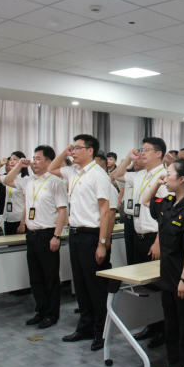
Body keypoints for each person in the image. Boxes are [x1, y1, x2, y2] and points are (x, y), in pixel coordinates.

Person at [142, 159, 184, 367]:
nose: (165, 178)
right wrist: (156, 183)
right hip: (168, 274)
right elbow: (145, 201)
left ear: (182, 179)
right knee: (171, 325)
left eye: (169, 174)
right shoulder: (168, 202)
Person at [49, 135, 112, 351]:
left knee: (95, 287)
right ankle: (85, 327)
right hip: (75, 235)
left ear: (90, 150)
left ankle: (101, 331)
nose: (73, 152)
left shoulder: (98, 175)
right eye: (73, 148)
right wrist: (65, 152)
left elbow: (105, 211)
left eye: (77, 148)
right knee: (81, 285)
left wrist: (102, 243)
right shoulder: (73, 171)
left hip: (91, 236)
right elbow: (51, 168)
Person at [112, 137, 171, 348]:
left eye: (146, 150)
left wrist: (158, 242)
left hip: (154, 239)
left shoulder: (165, 178)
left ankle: (163, 329)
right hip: (138, 237)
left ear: (159, 153)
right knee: (145, 288)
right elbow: (116, 176)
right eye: (141, 149)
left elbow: (166, 215)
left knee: (158, 286)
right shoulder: (139, 176)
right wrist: (128, 158)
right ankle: (151, 325)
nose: (142, 153)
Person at [3, 146, 68, 330]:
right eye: (33, 158)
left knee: (50, 278)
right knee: (35, 277)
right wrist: (19, 165)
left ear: (49, 162)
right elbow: (7, 180)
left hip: (48, 234)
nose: (34, 162)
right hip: (31, 235)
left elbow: (62, 211)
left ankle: (51, 314)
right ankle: (40, 310)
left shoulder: (56, 182)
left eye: (38, 158)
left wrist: (56, 236)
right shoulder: (28, 180)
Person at [0, 152, 28, 235]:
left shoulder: (25, 179)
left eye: (15, 159)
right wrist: (0, 164)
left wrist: (22, 224)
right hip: (7, 219)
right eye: (10, 159)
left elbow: (27, 204)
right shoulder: (7, 178)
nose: (11, 162)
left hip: (20, 220)